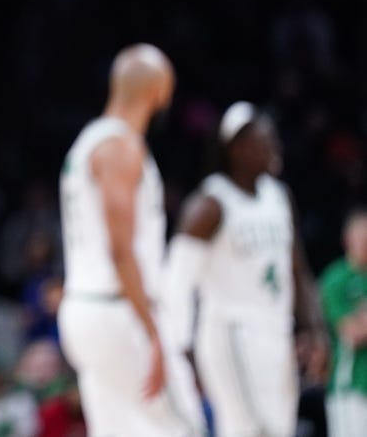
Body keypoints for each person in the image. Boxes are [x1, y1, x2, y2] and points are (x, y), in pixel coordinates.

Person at [56, 43, 206, 436]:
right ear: (159, 92)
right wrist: (153, 331)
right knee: (185, 426)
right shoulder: (122, 146)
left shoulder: (86, 142)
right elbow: (120, 249)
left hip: (85, 308)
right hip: (120, 309)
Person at [162, 101, 329, 437]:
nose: (275, 148)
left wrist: (315, 329)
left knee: (280, 429)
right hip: (231, 332)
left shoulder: (279, 196)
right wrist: (182, 350)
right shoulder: (209, 205)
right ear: (236, 148)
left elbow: (297, 269)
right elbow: (175, 284)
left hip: (276, 332)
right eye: (265, 141)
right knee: (253, 430)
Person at [319, 207, 367, 437]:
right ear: (348, 239)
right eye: (363, 237)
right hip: (351, 387)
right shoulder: (336, 279)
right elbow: (352, 333)